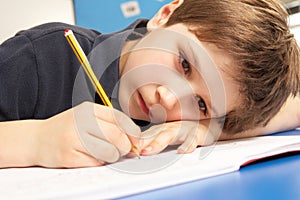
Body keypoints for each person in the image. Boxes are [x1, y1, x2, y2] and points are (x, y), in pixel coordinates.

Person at [0, 0, 299, 169]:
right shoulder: (42, 56)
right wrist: (34, 141)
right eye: (184, 63)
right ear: (164, 15)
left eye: (200, 103)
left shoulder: (188, 120)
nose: (168, 99)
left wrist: (211, 127)